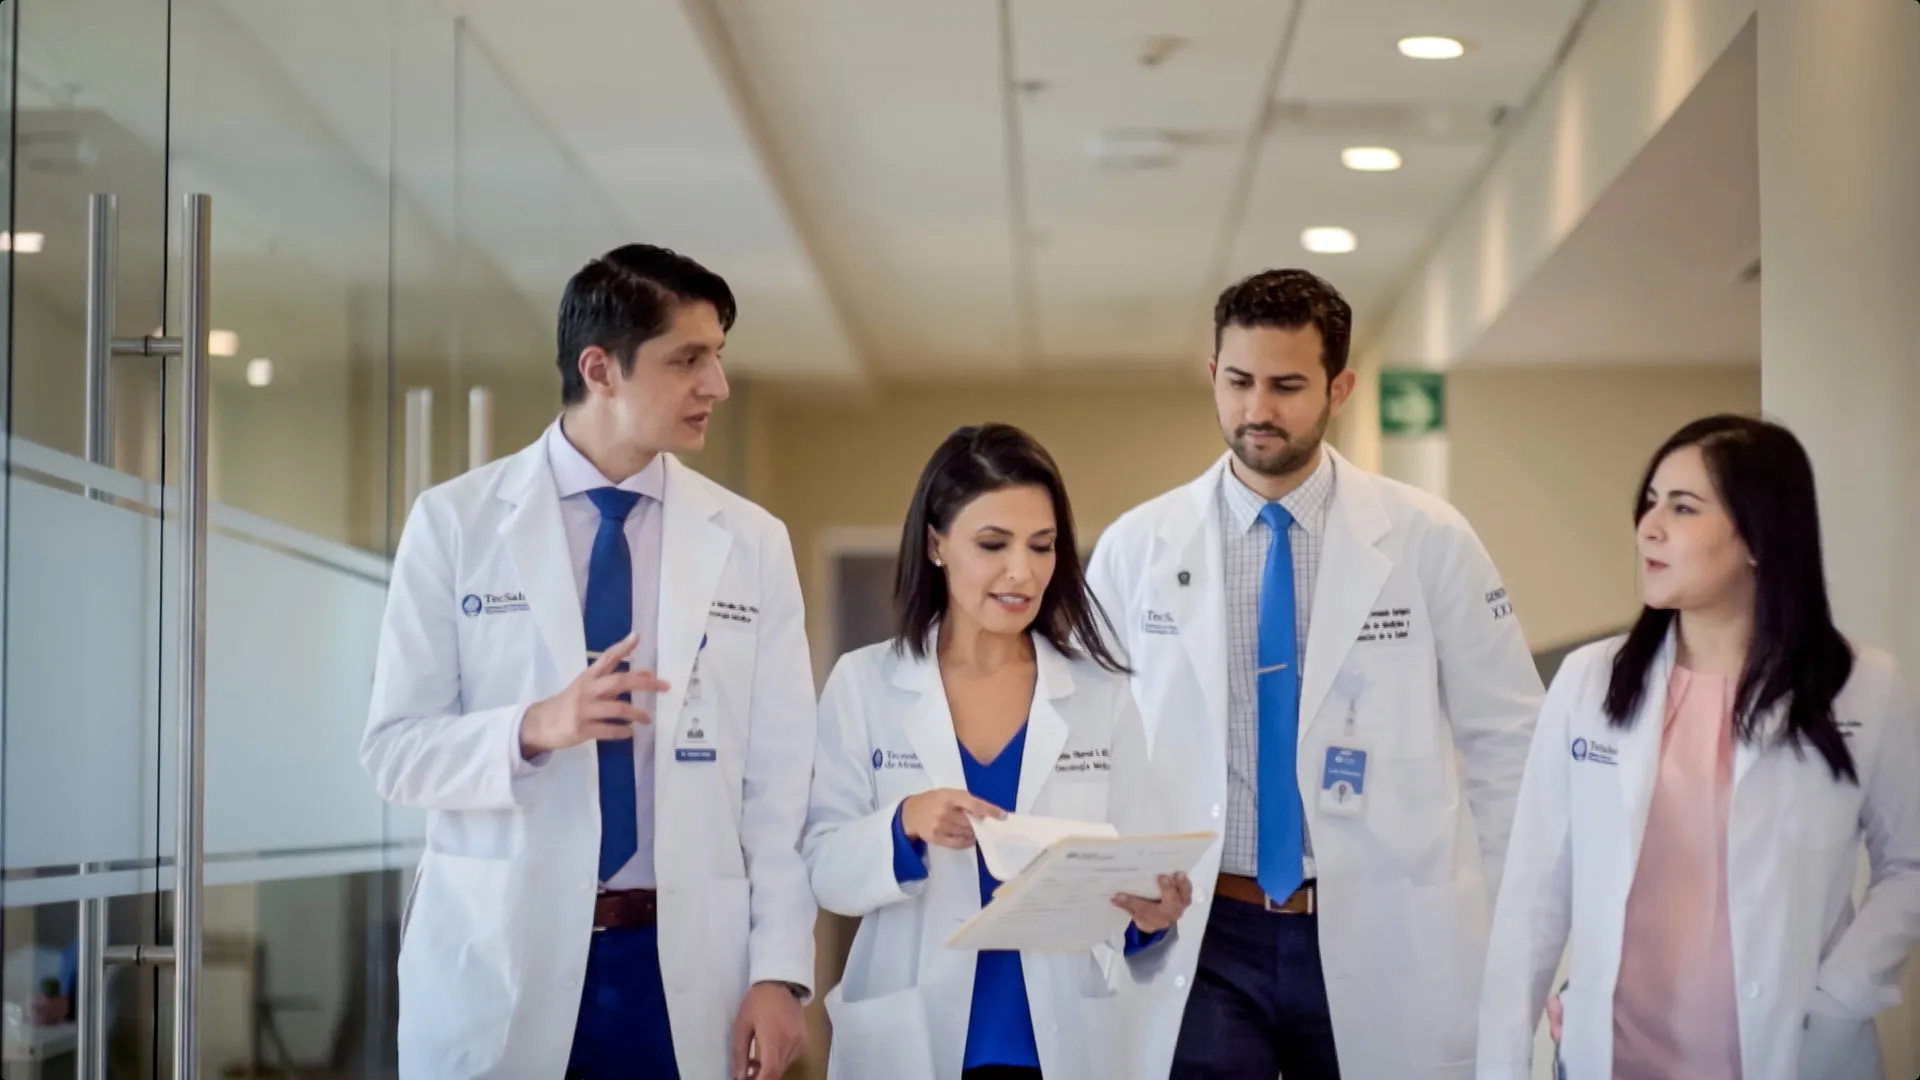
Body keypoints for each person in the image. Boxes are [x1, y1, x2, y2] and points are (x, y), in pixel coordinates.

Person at [361, 244, 818, 1080]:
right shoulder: (456, 524)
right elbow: (394, 753)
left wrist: (779, 971)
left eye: (717, 357)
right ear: (599, 367)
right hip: (507, 951)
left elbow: (780, 786)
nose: (715, 385)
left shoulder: (751, 541)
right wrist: (535, 728)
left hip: (681, 962)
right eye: (688, 359)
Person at [1088, 268, 1545, 1079]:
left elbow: (1509, 744)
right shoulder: (1137, 547)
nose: (1257, 410)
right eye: (1238, 381)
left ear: (1339, 386)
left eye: (1287, 385)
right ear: (1213, 375)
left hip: (1382, 925)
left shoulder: (1426, 538)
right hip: (1206, 929)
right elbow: (1089, 747)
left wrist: (1522, 938)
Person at [1477, 415, 1920, 1080]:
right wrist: (1503, 1062)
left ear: (1760, 537)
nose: (1649, 527)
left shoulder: (1863, 686)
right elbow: (1536, 890)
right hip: (1617, 1056)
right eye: (1649, 503)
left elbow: (1910, 863)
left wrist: (1841, 995)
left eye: (1682, 508)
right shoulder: (1589, 681)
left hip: (1794, 1052)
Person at [804, 424, 1193, 1080]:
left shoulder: (1101, 694)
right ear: (935, 544)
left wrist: (1151, 919)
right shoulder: (865, 684)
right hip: (914, 1039)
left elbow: (1133, 868)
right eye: (993, 544)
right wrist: (904, 825)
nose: (1023, 571)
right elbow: (824, 869)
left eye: (1041, 547)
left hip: (1062, 1044)